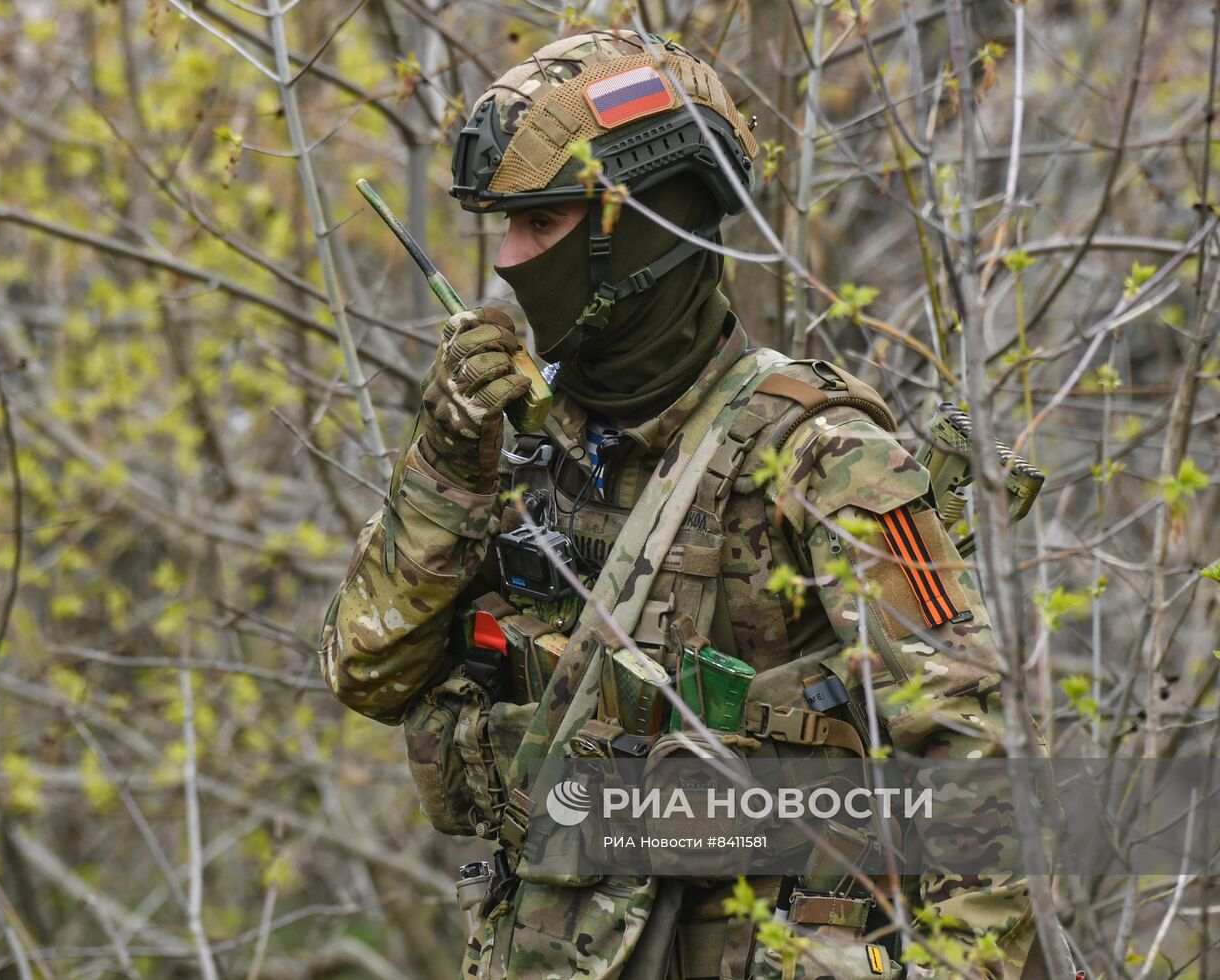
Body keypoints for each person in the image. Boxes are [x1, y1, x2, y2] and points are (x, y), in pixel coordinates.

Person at [321, 30, 1063, 979]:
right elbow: (366, 675)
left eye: (539, 223)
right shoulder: (509, 450)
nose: (507, 260)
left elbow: (982, 765)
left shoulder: (819, 459)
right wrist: (446, 467)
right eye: (501, 225)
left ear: (637, 227)